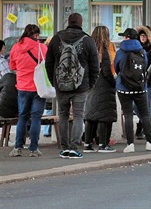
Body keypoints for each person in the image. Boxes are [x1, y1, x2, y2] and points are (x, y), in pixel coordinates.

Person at [46, 13, 99, 159]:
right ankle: (74, 148)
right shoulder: (88, 40)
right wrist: (90, 85)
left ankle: (64, 148)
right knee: (78, 116)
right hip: (81, 85)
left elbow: (49, 63)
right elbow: (95, 66)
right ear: (81, 23)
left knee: (63, 115)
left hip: (61, 85)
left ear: (68, 22)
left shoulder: (56, 39)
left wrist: (54, 82)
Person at [114, 28, 151, 153]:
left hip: (124, 88)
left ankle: (130, 144)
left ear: (127, 37)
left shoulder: (120, 52)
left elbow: (116, 67)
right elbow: (146, 66)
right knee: (144, 115)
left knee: (128, 115)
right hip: (140, 87)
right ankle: (150, 142)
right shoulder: (141, 51)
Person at [9, 24, 48, 157]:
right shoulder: (42, 48)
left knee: (23, 117)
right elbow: (47, 65)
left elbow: (12, 65)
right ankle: (33, 149)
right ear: (36, 35)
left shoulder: (15, 47)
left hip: (22, 87)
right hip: (39, 88)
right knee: (36, 117)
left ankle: (18, 148)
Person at [83, 26, 117, 153]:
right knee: (104, 115)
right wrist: (114, 83)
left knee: (90, 115)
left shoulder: (88, 49)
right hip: (103, 86)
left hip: (90, 85)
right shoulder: (104, 49)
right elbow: (107, 71)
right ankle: (103, 144)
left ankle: (87, 144)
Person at [134, 25, 151, 140]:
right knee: (137, 104)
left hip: (148, 78)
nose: (142, 37)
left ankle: (144, 128)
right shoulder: (136, 47)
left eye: (144, 35)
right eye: (141, 35)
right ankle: (144, 126)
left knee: (146, 104)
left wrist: (150, 78)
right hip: (138, 78)